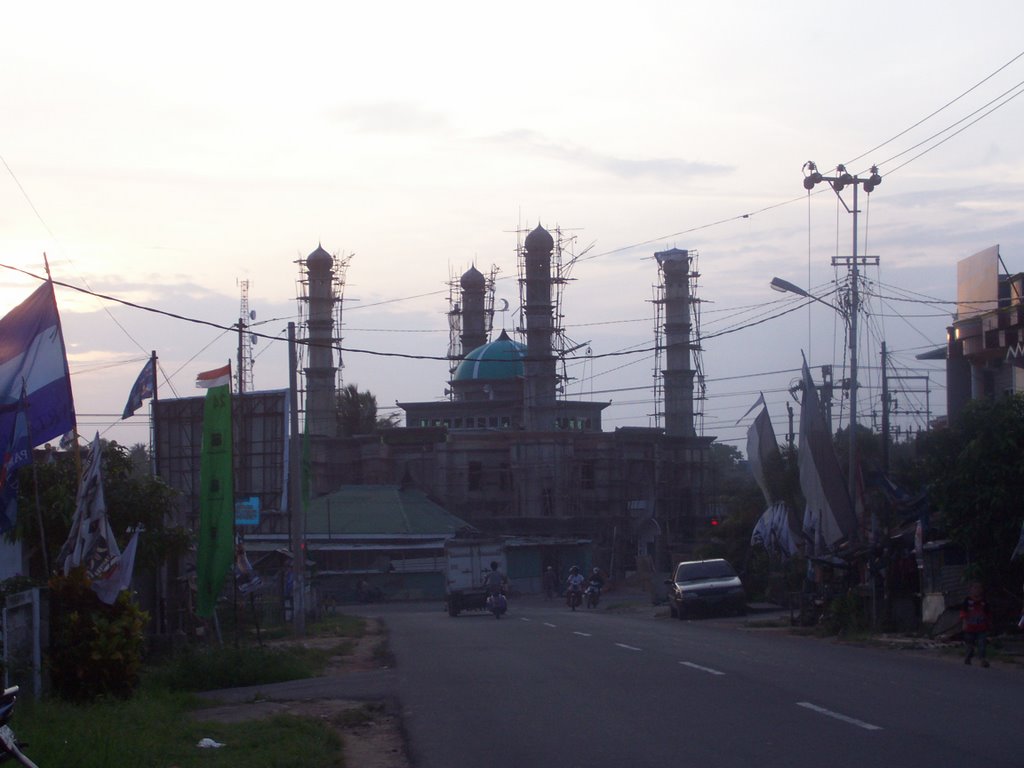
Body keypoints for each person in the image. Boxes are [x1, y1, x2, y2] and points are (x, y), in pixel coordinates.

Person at [960, 581, 992, 667]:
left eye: (979, 588)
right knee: (970, 646)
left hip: (981, 627)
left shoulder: (984, 602)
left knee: (982, 644)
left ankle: (982, 659)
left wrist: (989, 625)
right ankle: (968, 657)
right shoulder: (967, 601)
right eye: (975, 588)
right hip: (970, 628)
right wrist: (964, 623)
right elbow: (963, 613)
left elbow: (988, 614)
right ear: (971, 590)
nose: (977, 590)